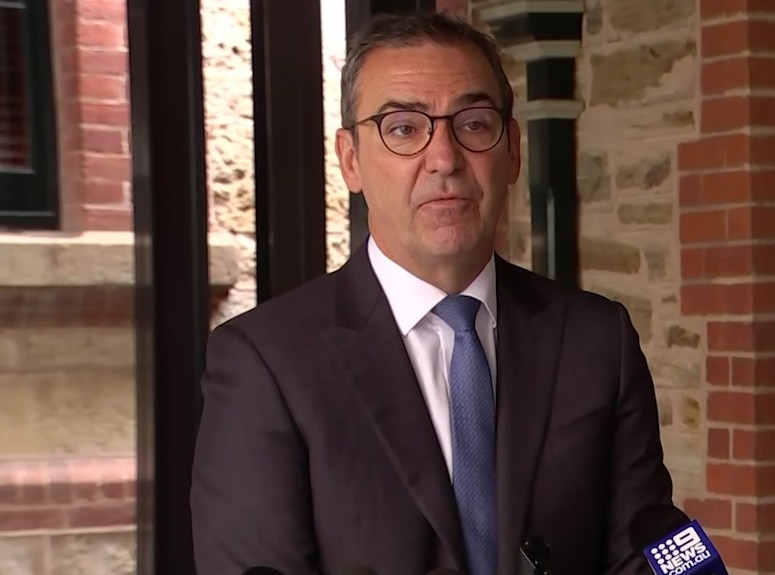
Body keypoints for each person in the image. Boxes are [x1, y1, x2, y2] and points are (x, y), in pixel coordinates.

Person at [190, 10, 673, 575]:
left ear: (512, 149)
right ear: (351, 161)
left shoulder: (597, 340)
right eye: (403, 129)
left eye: (472, 124)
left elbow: (646, 550)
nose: (444, 160)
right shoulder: (265, 362)